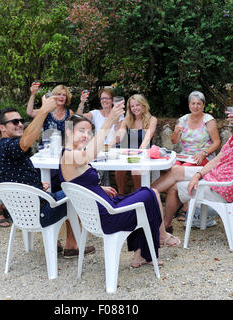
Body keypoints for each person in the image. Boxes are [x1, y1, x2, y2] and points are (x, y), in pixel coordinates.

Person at [60, 104, 180, 269]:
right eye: (81, 131)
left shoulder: (70, 155)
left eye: (89, 132)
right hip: (107, 216)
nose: (86, 136)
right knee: (149, 194)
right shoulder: (69, 154)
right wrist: (109, 121)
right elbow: (89, 155)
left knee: (151, 195)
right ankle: (157, 240)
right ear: (68, 132)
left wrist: (100, 189)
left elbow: (78, 183)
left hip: (103, 207)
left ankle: (142, 254)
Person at [0, 96, 95, 258]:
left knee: (60, 188)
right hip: (38, 212)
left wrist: (37, 187)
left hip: (19, 213)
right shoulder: (10, 147)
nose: (20, 124)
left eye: (21, 120)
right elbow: (25, 142)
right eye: (14, 122)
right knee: (77, 190)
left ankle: (54, 241)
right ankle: (72, 246)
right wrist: (45, 110)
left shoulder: (0, 148)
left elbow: (11, 178)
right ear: (2, 128)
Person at [151, 97, 233, 235]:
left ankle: (164, 226)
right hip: (213, 177)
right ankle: (144, 196)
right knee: (176, 171)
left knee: (175, 186)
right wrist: (198, 175)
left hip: (221, 187)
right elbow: (216, 160)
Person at [170, 91, 220, 221]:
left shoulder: (209, 121)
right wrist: (175, 132)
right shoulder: (183, 119)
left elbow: (217, 143)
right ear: (189, 105)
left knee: (180, 170)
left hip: (203, 156)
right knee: (173, 167)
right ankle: (182, 203)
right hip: (185, 155)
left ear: (203, 105)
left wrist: (204, 153)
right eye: (193, 103)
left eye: (199, 104)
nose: (196, 106)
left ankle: (185, 208)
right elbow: (174, 141)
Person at [27, 83, 74, 192]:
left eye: (64, 95)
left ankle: (59, 196)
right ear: (53, 96)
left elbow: (69, 134)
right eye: (58, 94)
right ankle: (47, 196)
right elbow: (30, 112)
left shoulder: (69, 113)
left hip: (61, 149)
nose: (61, 97)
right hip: (46, 149)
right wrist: (33, 94)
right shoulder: (46, 110)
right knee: (46, 173)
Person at [76, 87, 124, 185]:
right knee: (96, 163)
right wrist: (82, 103)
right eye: (102, 98)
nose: (104, 100)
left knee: (100, 163)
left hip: (113, 148)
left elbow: (119, 136)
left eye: (107, 98)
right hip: (98, 148)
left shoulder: (119, 114)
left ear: (112, 100)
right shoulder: (95, 113)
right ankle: (102, 188)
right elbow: (78, 118)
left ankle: (100, 189)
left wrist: (108, 146)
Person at [112, 94, 157, 195]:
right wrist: (107, 145)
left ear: (143, 105)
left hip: (143, 153)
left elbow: (146, 141)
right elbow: (120, 135)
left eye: (137, 105)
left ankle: (138, 195)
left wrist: (137, 153)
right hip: (128, 152)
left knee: (135, 169)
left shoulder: (152, 120)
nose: (135, 108)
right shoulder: (127, 120)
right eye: (132, 106)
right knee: (119, 169)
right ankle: (121, 195)